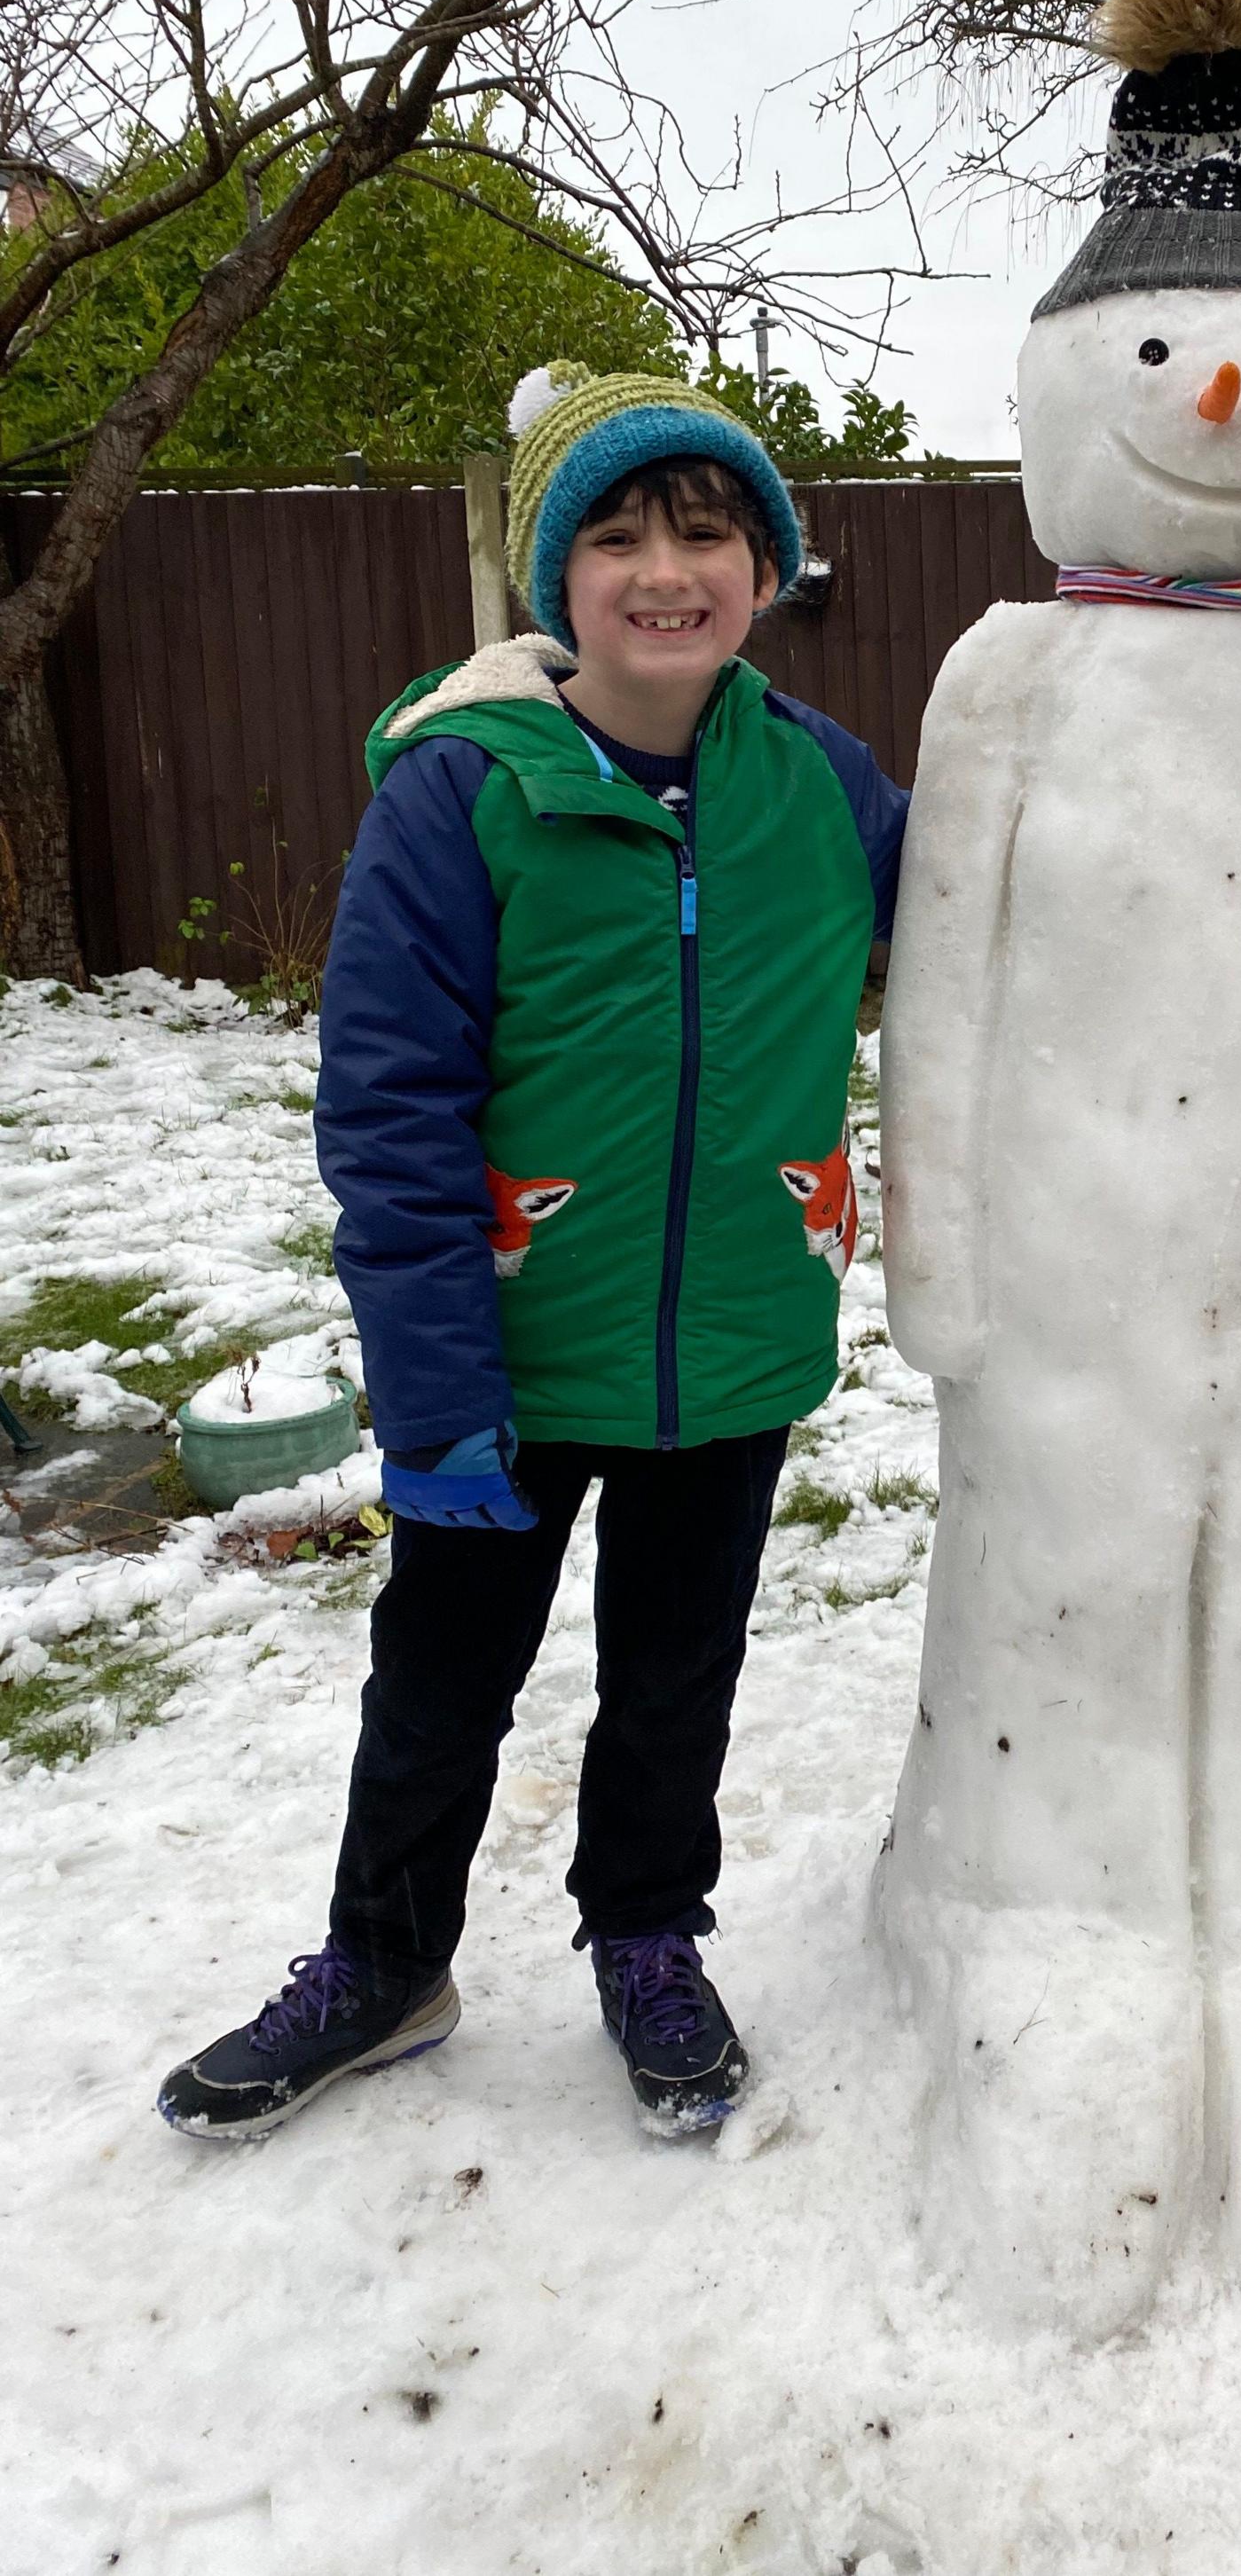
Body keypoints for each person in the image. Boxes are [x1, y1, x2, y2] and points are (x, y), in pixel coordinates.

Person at [159, 359, 906, 2142]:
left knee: (675, 1675)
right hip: (502, 1348)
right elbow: (391, 1113)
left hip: (729, 1334)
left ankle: (646, 1930)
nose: (668, 571)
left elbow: (1013, 907)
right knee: (439, 1682)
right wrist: (432, 1400)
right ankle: (384, 1956)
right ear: (554, 578)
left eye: (708, 531)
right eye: (621, 536)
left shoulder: (822, 789)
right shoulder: (461, 800)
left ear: (765, 565)